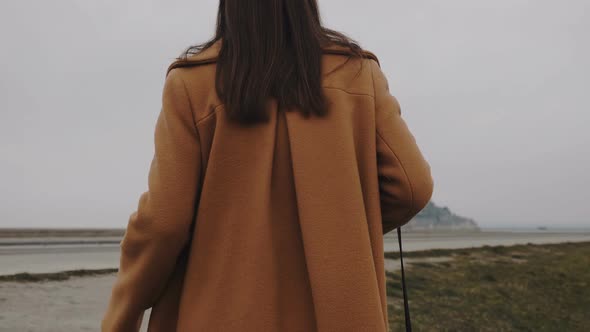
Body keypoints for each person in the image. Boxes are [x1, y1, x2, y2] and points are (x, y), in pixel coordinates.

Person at [101, 0, 434, 331]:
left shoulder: (192, 83)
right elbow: (412, 186)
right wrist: (338, 232)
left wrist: (124, 313)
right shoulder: (358, 74)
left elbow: (164, 222)